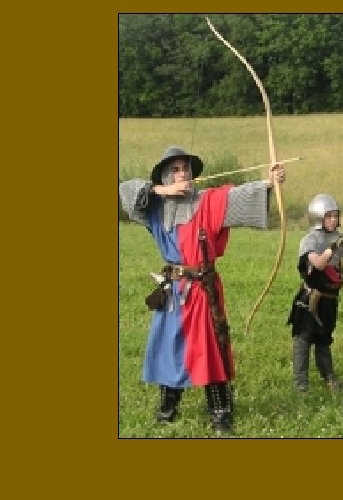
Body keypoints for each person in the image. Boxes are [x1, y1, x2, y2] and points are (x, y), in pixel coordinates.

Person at [118, 146, 286, 435]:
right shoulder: (154, 209)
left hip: (201, 290)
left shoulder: (206, 201)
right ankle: (167, 408)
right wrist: (160, 191)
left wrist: (269, 182)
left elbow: (237, 196)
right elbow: (125, 191)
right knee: (169, 347)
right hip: (172, 292)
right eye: (176, 169)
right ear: (165, 177)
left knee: (210, 349)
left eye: (186, 168)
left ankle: (220, 414)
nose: (183, 174)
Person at [287, 194, 343, 393]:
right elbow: (319, 263)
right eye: (328, 216)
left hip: (329, 300)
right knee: (303, 340)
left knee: (324, 339)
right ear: (318, 217)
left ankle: (329, 379)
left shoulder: (340, 239)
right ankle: (301, 385)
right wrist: (331, 251)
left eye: (335, 216)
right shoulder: (309, 240)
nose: (333, 220)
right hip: (311, 298)